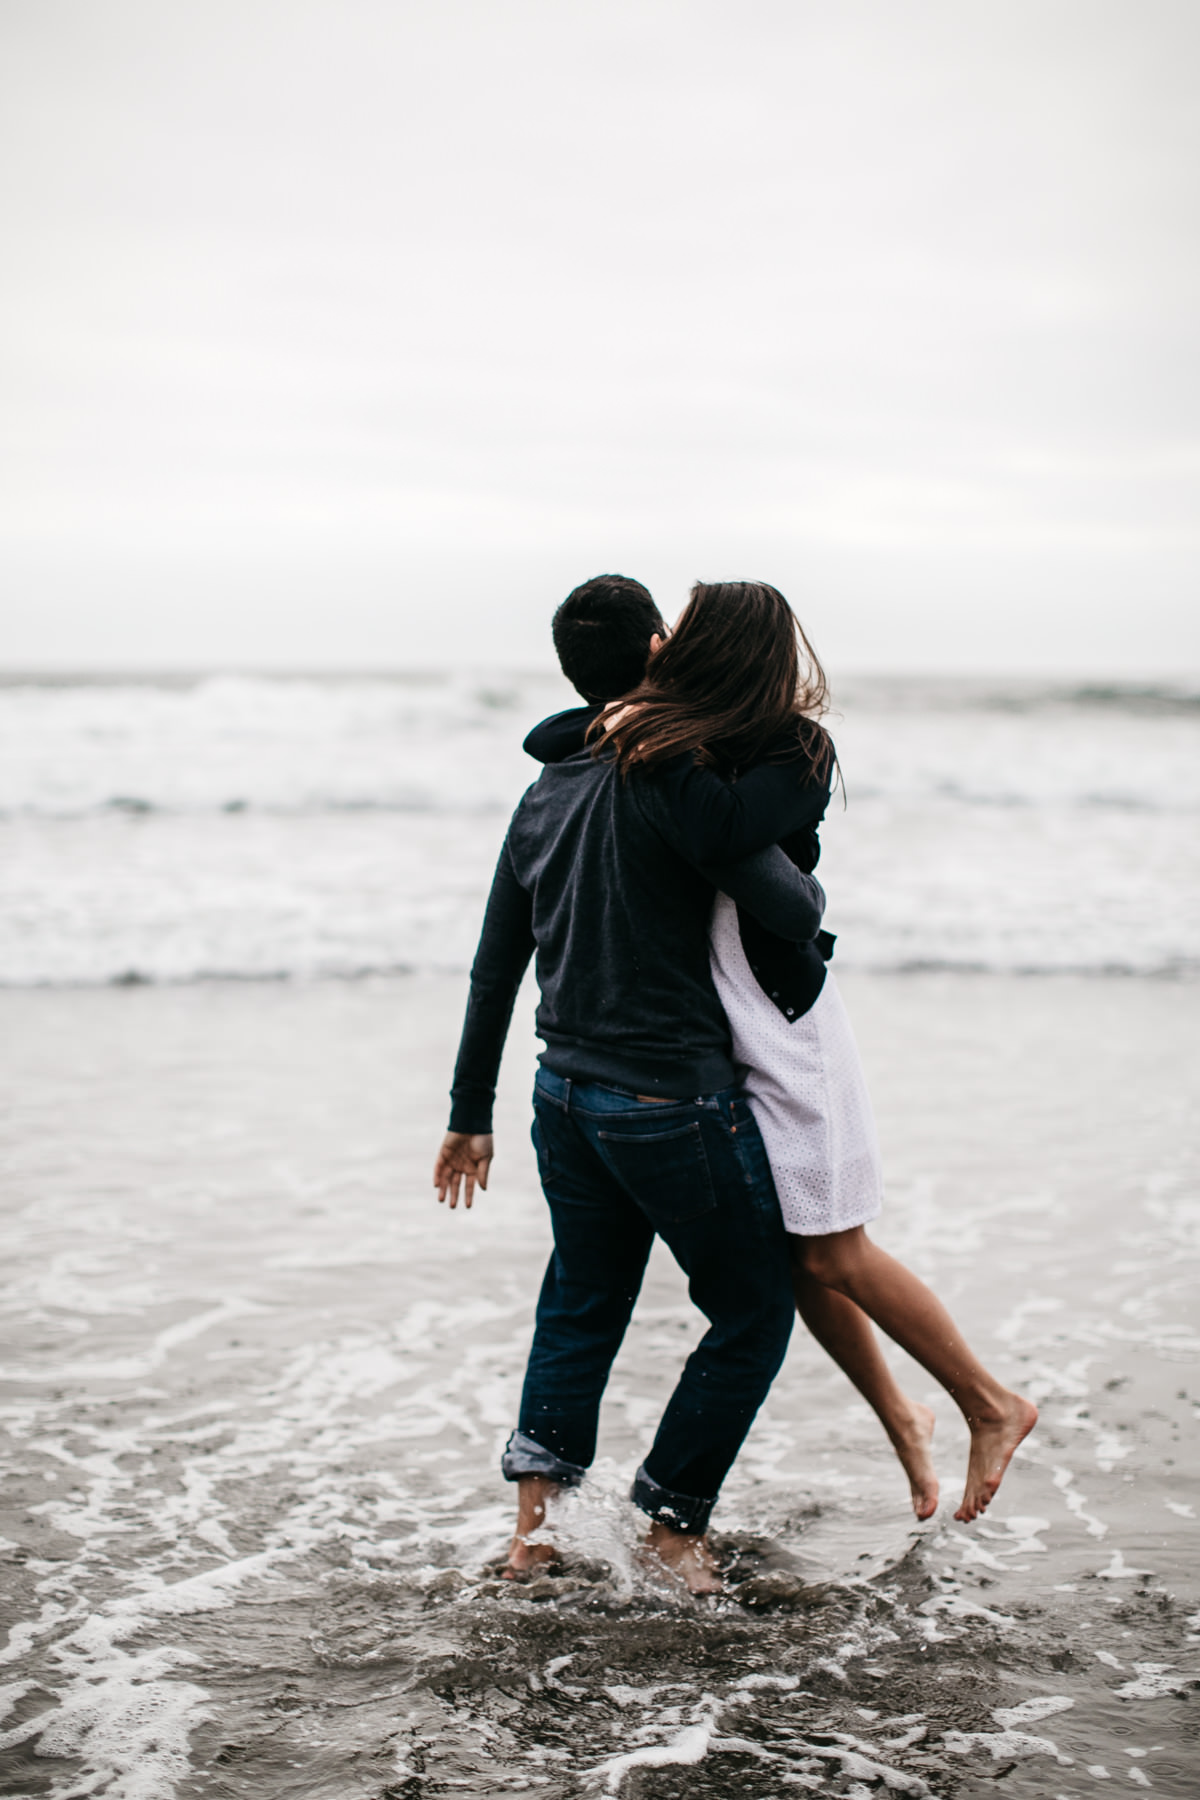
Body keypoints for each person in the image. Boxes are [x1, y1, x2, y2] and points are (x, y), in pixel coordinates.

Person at [587, 581, 1038, 1525]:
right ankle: (905, 1420)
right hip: (717, 1026)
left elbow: (718, 830)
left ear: (721, 644)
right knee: (793, 1256)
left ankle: (991, 1403)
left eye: (685, 629)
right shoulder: (679, 735)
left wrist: (653, 733)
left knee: (835, 1250)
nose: (667, 642)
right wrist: (636, 716)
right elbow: (564, 749)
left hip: (789, 1027)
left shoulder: (797, 747)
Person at [433, 573, 830, 1593]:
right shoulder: (674, 778)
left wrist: (468, 1113)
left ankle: (531, 1535)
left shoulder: (546, 789)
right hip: (670, 1101)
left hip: (561, 1095)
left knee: (581, 1300)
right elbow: (790, 908)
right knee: (753, 1316)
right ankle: (673, 1524)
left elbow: (495, 963)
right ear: (658, 650)